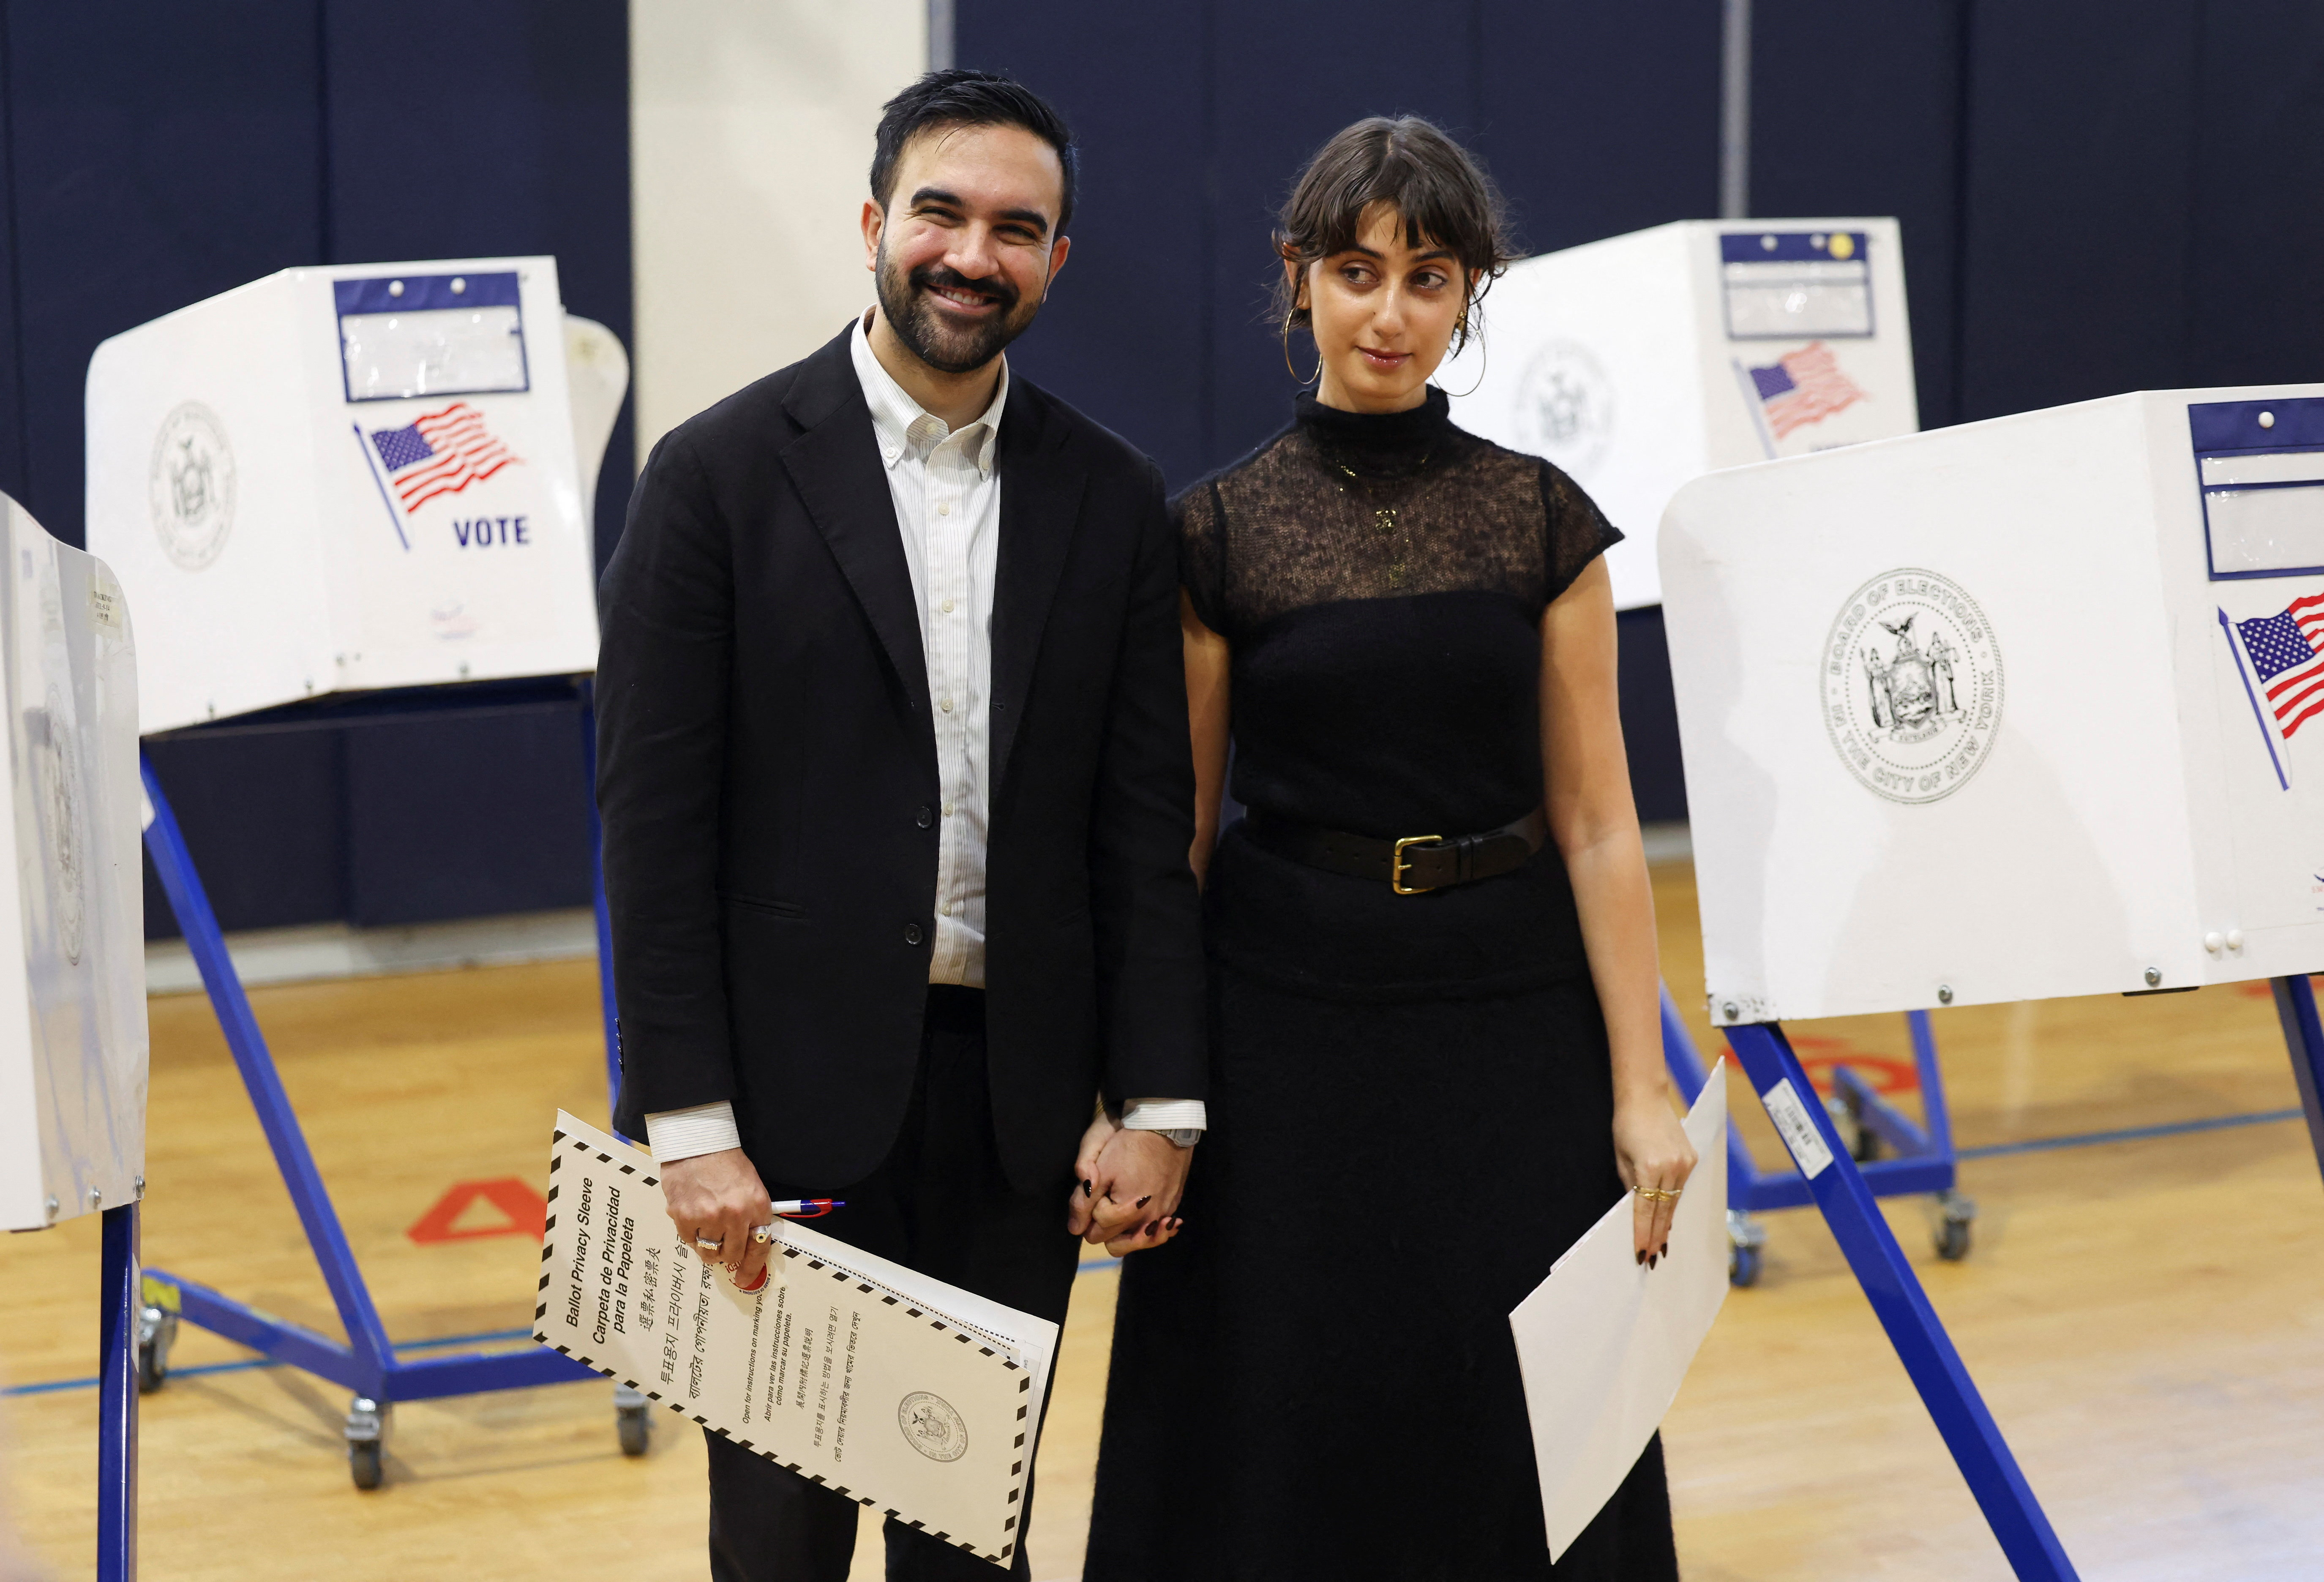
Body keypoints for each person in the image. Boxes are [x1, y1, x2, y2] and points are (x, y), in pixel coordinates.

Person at [596, 68, 1208, 1582]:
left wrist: (1158, 1101)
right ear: (875, 223)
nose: (970, 255)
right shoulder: (714, 479)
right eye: (940, 212)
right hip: (787, 1125)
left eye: (1017, 228)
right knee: (780, 1547)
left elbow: (1146, 827)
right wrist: (688, 1124)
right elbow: (652, 828)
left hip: (1018, 1120)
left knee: (968, 1543)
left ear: (1055, 263)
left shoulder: (1116, 499)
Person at [1082, 116, 1698, 1580]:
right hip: (1286, 1018)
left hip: (1508, 1012)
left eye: (1428, 277)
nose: (1389, 311)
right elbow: (1172, 845)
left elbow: (1602, 823)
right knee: (1284, 1399)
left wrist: (1641, 1081)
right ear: (1298, 281)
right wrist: (1146, 1095)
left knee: (1519, 1403)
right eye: (1357, 272)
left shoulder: (1545, 520)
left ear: (1470, 295)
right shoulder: (1218, 532)